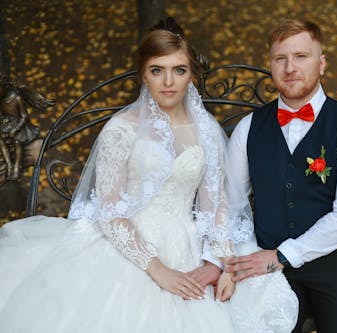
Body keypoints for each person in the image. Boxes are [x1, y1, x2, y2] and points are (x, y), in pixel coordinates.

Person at [0, 18, 298, 333]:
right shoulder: (122, 128)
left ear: (191, 76)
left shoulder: (207, 130)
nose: (168, 81)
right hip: (126, 243)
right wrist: (157, 269)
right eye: (157, 70)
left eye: (179, 70)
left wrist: (224, 264)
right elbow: (110, 209)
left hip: (186, 241)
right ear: (144, 74)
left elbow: (216, 204)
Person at [224, 19, 337, 332]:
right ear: (271, 65)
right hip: (265, 261)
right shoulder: (248, 129)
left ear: (321, 64)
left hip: (335, 262)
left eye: (301, 57)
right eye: (280, 59)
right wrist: (245, 255)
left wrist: (284, 254)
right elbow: (231, 204)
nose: (290, 67)